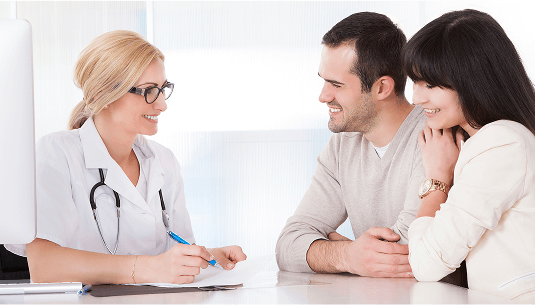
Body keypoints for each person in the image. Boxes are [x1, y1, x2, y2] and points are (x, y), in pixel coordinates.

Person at [5, 30, 246, 285]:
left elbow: (168, 257)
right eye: (149, 91)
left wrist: (207, 259)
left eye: (163, 89)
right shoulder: (56, 154)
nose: (162, 104)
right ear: (103, 94)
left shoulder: (163, 161)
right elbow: (45, 266)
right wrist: (148, 268)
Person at [275, 12, 426, 278]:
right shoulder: (342, 146)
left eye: (336, 84)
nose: (323, 96)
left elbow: (408, 253)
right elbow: (288, 245)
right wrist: (347, 256)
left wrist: (335, 253)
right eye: (323, 80)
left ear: (382, 88)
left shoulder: (432, 137)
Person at [405, 9, 535, 301]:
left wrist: (437, 180)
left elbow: (425, 263)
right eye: (414, 82)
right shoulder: (474, 142)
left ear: (472, 80)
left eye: (429, 85)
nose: (416, 98)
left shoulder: (502, 143)